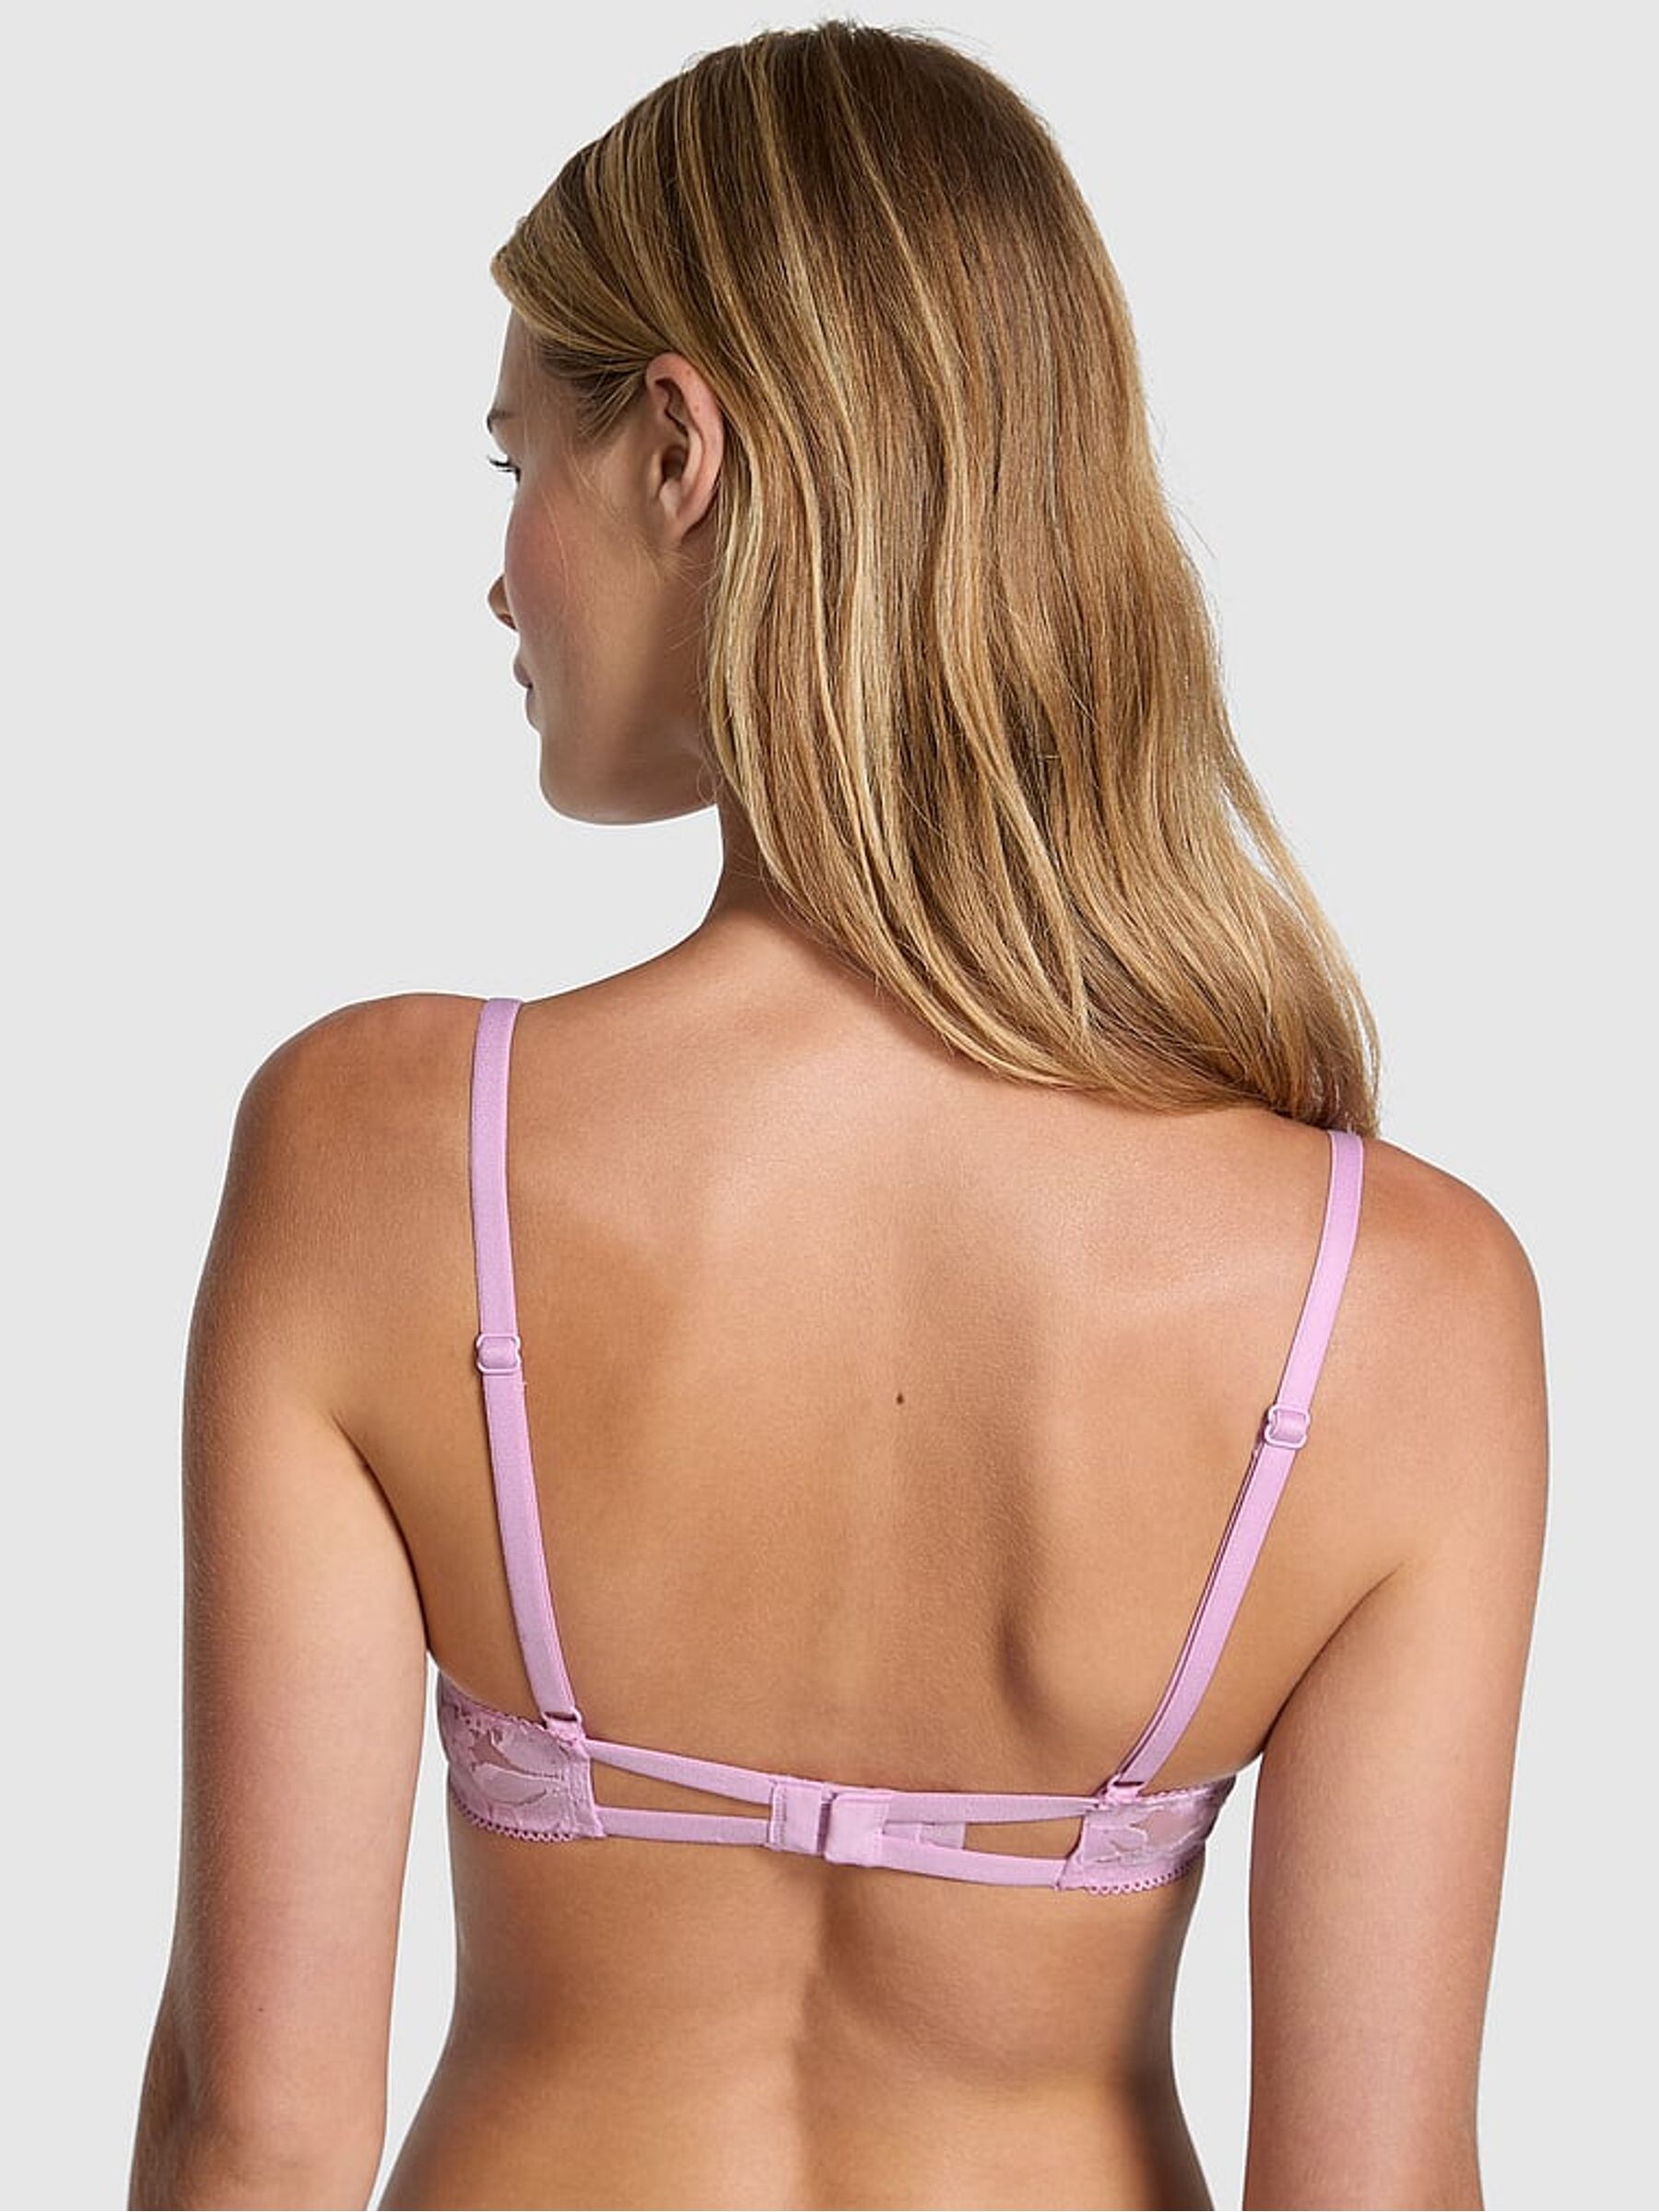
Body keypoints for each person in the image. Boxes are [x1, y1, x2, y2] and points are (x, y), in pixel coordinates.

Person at [127, 21, 1547, 2211]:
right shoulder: (1402, 1303)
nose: (502, 572)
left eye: (516, 460)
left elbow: (264, 2139)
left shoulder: (386, 1152)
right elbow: (1376, 2190)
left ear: (677, 450)